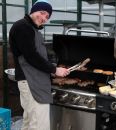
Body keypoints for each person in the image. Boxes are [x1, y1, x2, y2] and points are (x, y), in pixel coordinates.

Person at [9, 0, 70, 130]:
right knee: (39, 126)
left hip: (35, 82)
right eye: (42, 13)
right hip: (32, 83)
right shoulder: (23, 27)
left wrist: (54, 70)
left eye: (47, 17)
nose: (43, 18)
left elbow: (40, 57)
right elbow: (31, 56)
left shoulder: (32, 29)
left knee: (29, 122)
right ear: (33, 11)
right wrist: (54, 69)